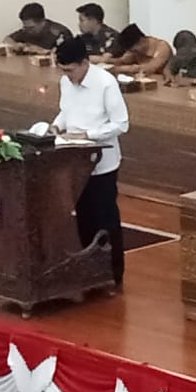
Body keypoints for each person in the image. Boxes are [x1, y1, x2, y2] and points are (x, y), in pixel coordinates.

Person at [52, 36, 129, 287]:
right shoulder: (66, 82)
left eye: (70, 70)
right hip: (74, 160)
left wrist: (87, 135)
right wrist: (57, 126)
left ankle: (113, 273)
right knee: (83, 217)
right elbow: (67, 111)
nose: (67, 76)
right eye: (63, 71)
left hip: (102, 163)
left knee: (105, 218)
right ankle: (89, 273)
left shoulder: (106, 83)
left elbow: (121, 124)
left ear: (85, 63)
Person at [104, 24, 172, 77]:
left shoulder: (162, 47)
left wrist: (119, 69)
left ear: (141, 41)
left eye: (133, 50)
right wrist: (105, 61)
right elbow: (122, 60)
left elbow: (149, 68)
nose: (132, 52)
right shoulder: (135, 50)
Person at [5, 3, 72, 54]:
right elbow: (7, 39)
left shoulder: (59, 32)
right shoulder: (26, 31)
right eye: (25, 27)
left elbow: (69, 55)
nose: (28, 30)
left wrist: (43, 51)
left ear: (43, 22)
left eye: (31, 28)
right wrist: (15, 45)